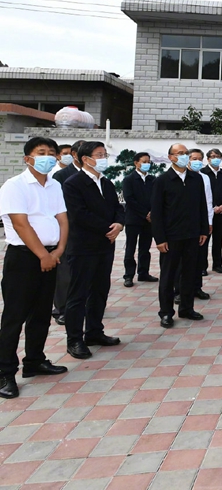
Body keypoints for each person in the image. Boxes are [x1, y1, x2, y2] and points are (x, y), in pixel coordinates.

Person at [0, 137, 69, 399]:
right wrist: (42, 254)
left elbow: (62, 219)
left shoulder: (54, 185)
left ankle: (34, 361)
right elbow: (21, 224)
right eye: (42, 153)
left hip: (51, 256)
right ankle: (5, 372)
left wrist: (58, 251)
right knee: (14, 317)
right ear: (27, 157)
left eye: (52, 153)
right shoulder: (14, 186)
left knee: (41, 313)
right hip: (24, 258)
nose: (48, 157)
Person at [62, 141, 125, 359]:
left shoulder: (106, 183)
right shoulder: (73, 184)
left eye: (104, 154)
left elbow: (118, 207)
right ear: (85, 158)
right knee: (78, 295)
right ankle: (75, 340)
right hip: (83, 247)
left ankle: (95, 332)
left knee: (100, 290)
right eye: (99, 154)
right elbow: (78, 215)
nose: (103, 158)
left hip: (105, 246)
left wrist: (119, 223)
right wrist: (108, 228)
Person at [151, 143, 209, 328]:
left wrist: (202, 230)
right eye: (180, 153)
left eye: (186, 153)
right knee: (168, 276)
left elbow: (201, 206)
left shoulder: (195, 179)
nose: (184, 156)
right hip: (171, 236)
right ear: (171, 157)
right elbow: (157, 212)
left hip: (192, 235)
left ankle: (186, 308)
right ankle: (166, 312)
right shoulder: (162, 181)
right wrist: (160, 239)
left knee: (190, 273)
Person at [51, 139, 85, 326]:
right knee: (64, 271)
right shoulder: (62, 176)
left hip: (87, 233)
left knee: (82, 271)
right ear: (75, 155)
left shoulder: (96, 176)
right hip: (67, 229)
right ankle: (62, 308)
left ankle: (80, 304)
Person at [122, 152, 158, 287]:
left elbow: (156, 198)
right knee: (130, 248)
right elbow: (129, 199)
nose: (147, 164)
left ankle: (143, 272)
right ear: (136, 163)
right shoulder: (129, 180)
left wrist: (152, 213)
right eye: (144, 161)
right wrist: (145, 213)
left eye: (148, 162)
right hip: (133, 219)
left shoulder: (153, 180)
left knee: (145, 247)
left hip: (149, 220)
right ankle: (129, 275)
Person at [188, 150, 214, 300]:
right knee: (183, 260)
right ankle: (179, 290)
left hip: (201, 224)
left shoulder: (204, 178)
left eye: (200, 159)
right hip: (185, 225)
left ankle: (197, 287)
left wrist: (209, 222)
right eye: (194, 158)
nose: (197, 161)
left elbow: (208, 201)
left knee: (199, 257)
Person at [202, 148, 222, 275]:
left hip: (221, 212)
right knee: (204, 240)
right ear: (208, 159)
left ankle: (217, 264)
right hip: (207, 212)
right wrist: (210, 208)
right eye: (212, 156)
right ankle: (202, 266)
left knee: (218, 239)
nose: (215, 158)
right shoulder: (203, 173)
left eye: (217, 156)